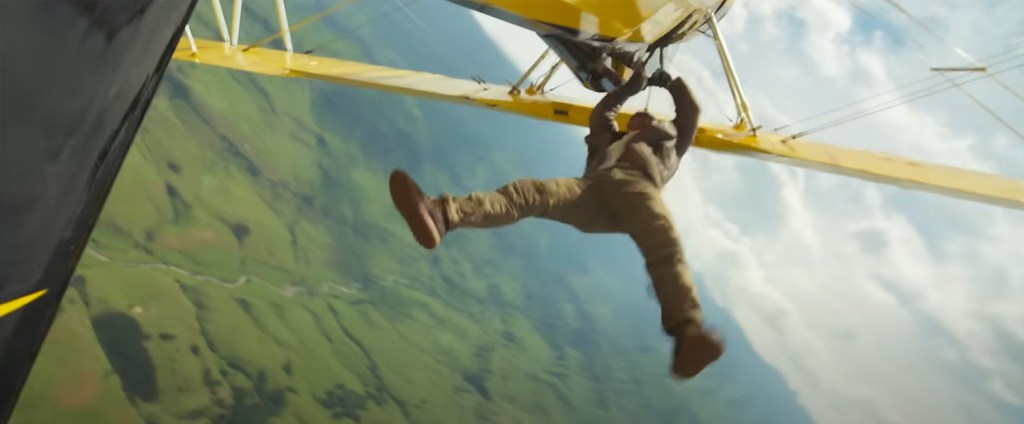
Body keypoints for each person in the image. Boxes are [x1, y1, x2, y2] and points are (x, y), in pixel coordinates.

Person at [387, 63, 725, 380]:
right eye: (636, 116)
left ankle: (688, 331)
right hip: (593, 194)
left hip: (638, 186)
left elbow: (689, 113)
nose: (640, 117)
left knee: (662, 243)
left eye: (646, 117)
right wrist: (631, 88)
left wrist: (665, 82)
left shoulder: (667, 146)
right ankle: (443, 215)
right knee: (529, 194)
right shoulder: (608, 142)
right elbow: (602, 113)